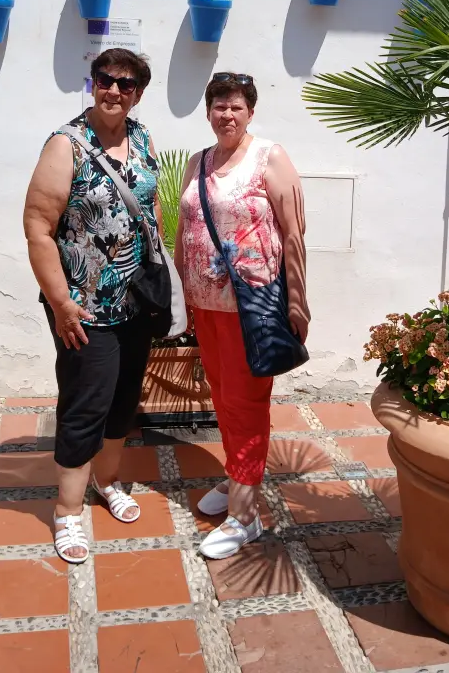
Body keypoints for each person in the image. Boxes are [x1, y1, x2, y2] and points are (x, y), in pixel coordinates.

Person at [23, 49, 162, 563]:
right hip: (83, 306)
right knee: (85, 404)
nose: (115, 91)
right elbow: (38, 226)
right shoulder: (67, 145)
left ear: (138, 94)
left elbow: (150, 208)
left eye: (127, 85)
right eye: (106, 80)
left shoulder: (142, 137)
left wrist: (157, 268)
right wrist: (60, 301)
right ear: (93, 83)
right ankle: (66, 511)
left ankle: (107, 482)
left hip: (135, 302)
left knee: (123, 402)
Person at [175, 72, 310, 559]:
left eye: (235, 106)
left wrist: (297, 298)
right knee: (223, 400)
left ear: (250, 111)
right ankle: (237, 477)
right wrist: (183, 297)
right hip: (205, 307)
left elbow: (293, 233)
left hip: (250, 306)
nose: (226, 115)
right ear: (208, 111)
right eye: (218, 106)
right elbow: (184, 228)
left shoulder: (268, 157)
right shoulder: (198, 162)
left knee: (246, 404)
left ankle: (245, 515)